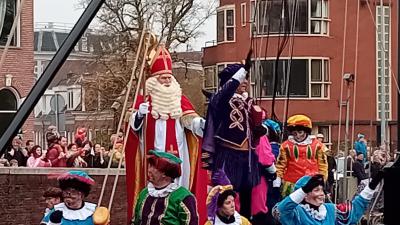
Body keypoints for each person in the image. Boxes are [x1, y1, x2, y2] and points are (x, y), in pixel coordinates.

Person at [126, 45, 207, 221]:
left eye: (169, 77)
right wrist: (139, 115)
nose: (168, 81)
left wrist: (198, 123)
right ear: (153, 80)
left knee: (179, 188)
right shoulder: (144, 101)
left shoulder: (179, 99)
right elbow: (131, 130)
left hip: (179, 153)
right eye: (163, 78)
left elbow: (188, 118)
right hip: (153, 156)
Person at [202, 55, 262, 218]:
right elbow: (227, 89)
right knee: (227, 196)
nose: (245, 81)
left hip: (247, 156)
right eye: (242, 78)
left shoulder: (248, 102)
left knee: (247, 195)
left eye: (246, 78)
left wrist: (259, 130)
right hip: (228, 155)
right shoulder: (220, 98)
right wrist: (243, 70)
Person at [273, 172, 384, 225]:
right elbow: (281, 210)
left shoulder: (330, 209)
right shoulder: (296, 212)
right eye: (316, 190)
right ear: (305, 195)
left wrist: (372, 185)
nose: (322, 194)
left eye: (322, 190)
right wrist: (304, 189)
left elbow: (354, 210)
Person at [132, 150, 199, 225]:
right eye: (150, 166)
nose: (149, 170)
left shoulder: (184, 197)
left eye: (153, 167)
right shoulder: (144, 193)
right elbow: (135, 221)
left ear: (164, 173)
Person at [274, 115, 328, 197]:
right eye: (295, 133)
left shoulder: (318, 145)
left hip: (312, 183)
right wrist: (277, 180)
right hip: (291, 184)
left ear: (306, 131)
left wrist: (322, 179)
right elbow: (280, 165)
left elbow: (323, 165)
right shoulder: (285, 146)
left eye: (300, 132)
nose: (297, 136)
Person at [42, 171, 109, 225]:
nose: (68, 194)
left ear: (82, 194)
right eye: (65, 190)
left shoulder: (93, 211)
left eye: (73, 191)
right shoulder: (56, 210)